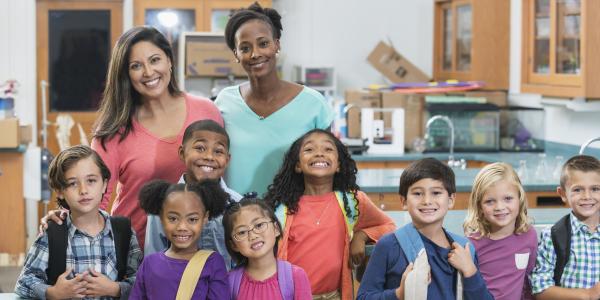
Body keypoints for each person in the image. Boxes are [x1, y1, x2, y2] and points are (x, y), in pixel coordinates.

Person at [41, 26, 224, 248]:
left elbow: (221, 177)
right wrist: (63, 219)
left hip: (200, 243)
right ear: (126, 74)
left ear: (169, 60)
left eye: (155, 60)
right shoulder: (113, 132)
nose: (148, 72)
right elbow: (96, 196)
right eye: (136, 66)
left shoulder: (207, 111)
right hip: (134, 251)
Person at [215, 3, 333, 196]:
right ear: (236, 54)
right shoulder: (224, 102)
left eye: (263, 43)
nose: (255, 54)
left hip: (294, 218)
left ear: (276, 44)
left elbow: (329, 170)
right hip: (237, 220)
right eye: (245, 48)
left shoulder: (313, 104)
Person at [264, 129, 395, 300]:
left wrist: (361, 236)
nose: (319, 153)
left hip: (335, 296)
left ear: (339, 164)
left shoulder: (352, 201)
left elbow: (388, 226)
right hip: (290, 295)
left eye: (328, 149)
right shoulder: (282, 208)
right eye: (309, 149)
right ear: (297, 165)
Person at [15, 145, 142, 299]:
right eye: (73, 183)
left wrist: (115, 289)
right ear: (60, 191)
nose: (83, 190)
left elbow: (142, 282)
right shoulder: (53, 232)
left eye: (91, 180)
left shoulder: (123, 231)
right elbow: (24, 283)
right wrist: (52, 293)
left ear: (104, 184)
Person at [357, 158, 493, 300]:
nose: (427, 201)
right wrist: (399, 294)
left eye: (436, 193)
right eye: (417, 193)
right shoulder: (389, 246)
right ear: (403, 201)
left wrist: (470, 271)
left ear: (451, 200)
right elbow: (363, 297)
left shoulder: (465, 250)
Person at [145, 120, 242, 270]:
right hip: (176, 290)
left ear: (227, 160)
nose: (209, 157)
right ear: (182, 153)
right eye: (200, 148)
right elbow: (154, 260)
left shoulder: (238, 204)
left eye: (218, 151)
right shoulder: (163, 202)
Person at [130, 180, 230, 299]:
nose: (182, 227)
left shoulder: (213, 262)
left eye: (192, 219)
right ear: (161, 218)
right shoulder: (149, 263)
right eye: (173, 218)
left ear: (205, 218)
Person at [463, 162, 537, 300]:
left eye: (508, 198)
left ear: (519, 199)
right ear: (479, 206)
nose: (499, 207)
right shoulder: (472, 244)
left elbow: (529, 281)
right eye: (490, 201)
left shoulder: (529, 235)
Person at [530, 155, 600, 299]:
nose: (587, 196)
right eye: (577, 190)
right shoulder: (553, 236)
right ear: (562, 194)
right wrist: (587, 295)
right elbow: (540, 290)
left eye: (595, 189)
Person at [223, 197, 312, 300]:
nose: (253, 236)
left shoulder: (295, 277)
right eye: (242, 232)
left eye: (259, 225)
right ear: (233, 245)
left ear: (276, 229)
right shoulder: (229, 281)